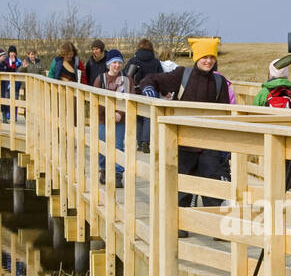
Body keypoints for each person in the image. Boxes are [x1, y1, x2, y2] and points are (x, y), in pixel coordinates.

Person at [135, 37, 235, 214]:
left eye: (212, 57)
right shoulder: (182, 75)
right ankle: (179, 227)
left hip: (209, 145)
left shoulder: (219, 82)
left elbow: (225, 115)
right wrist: (148, 88)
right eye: (204, 57)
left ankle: (216, 226)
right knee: (181, 190)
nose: (208, 61)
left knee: (212, 189)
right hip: (184, 144)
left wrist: (224, 148)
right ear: (197, 58)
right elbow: (150, 79)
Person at [95, 49, 128, 186]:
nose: (117, 65)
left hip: (120, 119)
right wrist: (109, 113)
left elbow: (128, 97)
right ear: (109, 64)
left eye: (119, 63)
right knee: (102, 144)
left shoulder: (125, 79)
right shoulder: (100, 79)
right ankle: (103, 171)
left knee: (118, 146)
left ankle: (118, 174)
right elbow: (96, 98)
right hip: (103, 118)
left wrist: (120, 113)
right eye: (114, 62)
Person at [126, 38, 164, 152]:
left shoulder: (134, 60)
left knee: (138, 117)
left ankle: (139, 143)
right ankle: (145, 141)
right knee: (148, 117)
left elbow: (126, 75)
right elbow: (161, 77)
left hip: (136, 92)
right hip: (151, 92)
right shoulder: (156, 62)